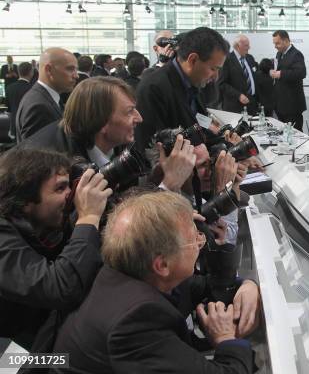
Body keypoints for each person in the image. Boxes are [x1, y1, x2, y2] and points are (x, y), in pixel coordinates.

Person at [52, 191, 259, 373]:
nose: (200, 241)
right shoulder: (136, 321)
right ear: (162, 265)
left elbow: (211, 285)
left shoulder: (130, 273)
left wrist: (247, 286)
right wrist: (225, 338)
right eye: (193, 238)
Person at [0, 148, 111, 350]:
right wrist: (88, 218)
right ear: (26, 200)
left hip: (35, 328)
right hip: (8, 348)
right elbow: (60, 287)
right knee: (66, 364)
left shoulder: (47, 228)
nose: (71, 195)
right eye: (60, 189)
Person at [24, 77, 196, 194]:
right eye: (129, 112)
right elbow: (101, 230)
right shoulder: (56, 169)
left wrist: (156, 177)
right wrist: (170, 184)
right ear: (101, 122)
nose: (139, 118)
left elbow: (126, 200)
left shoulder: (119, 142)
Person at [135, 27, 227, 152]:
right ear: (193, 60)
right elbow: (151, 150)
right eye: (213, 69)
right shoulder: (154, 88)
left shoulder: (193, 82)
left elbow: (198, 121)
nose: (216, 77)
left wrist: (227, 144)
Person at [15, 47, 78, 142]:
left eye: (76, 70)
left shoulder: (44, 97)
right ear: (49, 70)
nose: (76, 75)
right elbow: (35, 154)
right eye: (70, 69)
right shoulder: (39, 107)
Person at [270, 30, 307, 131]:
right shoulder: (279, 54)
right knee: (284, 135)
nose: (275, 46)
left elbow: (301, 73)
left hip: (292, 105)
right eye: (274, 43)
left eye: (277, 43)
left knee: (295, 135)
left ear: (286, 41)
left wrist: (281, 74)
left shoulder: (296, 54)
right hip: (281, 105)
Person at [219, 34, 259, 115]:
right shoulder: (227, 60)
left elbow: (255, 75)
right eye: (246, 45)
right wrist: (238, 95)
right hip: (235, 106)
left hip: (251, 104)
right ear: (237, 46)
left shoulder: (250, 58)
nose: (249, 47)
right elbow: (222, 84)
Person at [5, 62, 33, 139]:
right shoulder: (33, 89)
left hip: (14, 127)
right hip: (29, 127)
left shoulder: (9, 88)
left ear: (18, 72)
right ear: (31, 73)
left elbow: (9, 111)